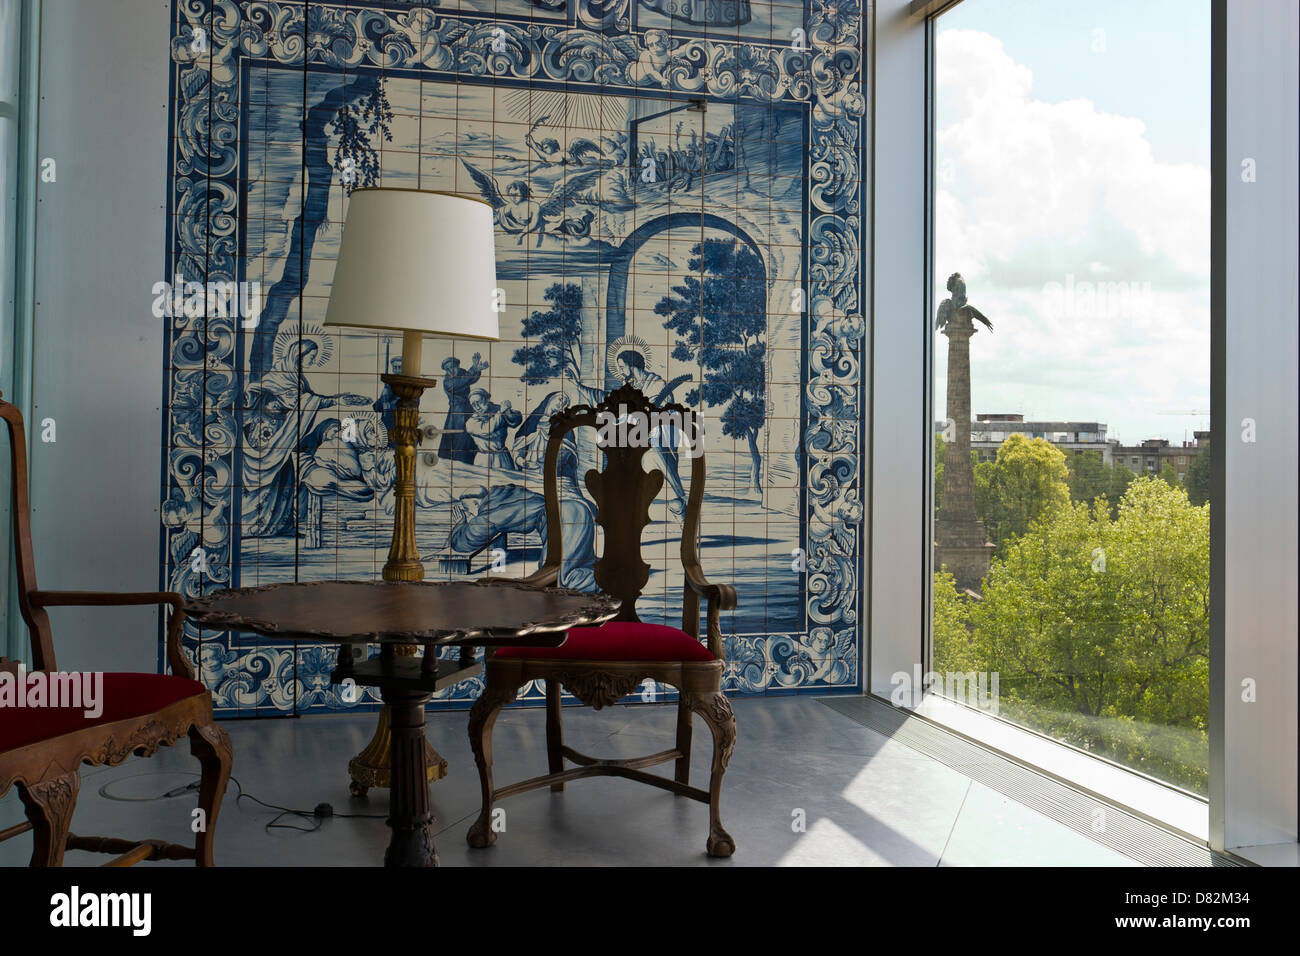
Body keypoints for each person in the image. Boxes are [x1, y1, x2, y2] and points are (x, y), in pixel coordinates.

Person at [446, 444, 596, 590]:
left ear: (476, 502)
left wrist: (460, 523)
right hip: (575, 511)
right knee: (580, 565)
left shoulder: (492, 510)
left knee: (565, 579)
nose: (469, 514)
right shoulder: (505, 493)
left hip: (565, 516)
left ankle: (614, 582)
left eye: (467, 509)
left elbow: (464, 542)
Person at [438, 354, 488, 463]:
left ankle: (466, 458)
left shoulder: (461, 373)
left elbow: (472, 379)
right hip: (457, 410)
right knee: (459, 433)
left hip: (468, 407)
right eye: (447, 369)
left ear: (457, 365)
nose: (450, 370)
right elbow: (463, 382)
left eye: (452, 367)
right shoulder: (447, 381)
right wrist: (474, 367)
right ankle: (456, 458)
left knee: (470, 432)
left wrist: (478, 369)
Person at [511, 390, 570, 471]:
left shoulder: (561, 424)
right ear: (550, 399)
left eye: (564, 403)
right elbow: (518, 447)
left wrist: (545, 465)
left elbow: (567, 451)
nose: (561, 404)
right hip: (529, 469)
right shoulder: (533, 420)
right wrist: (522, 462)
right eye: (560, 399)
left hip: (548, 471)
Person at [465, 388, 522, 469]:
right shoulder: (471, 422)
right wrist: (501, 412)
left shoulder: (497, 411)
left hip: (503, 458)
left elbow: (515, 421)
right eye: (473, 404)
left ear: (487, 399)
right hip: (483, 460)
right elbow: (487, 429)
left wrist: (508, 411)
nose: (477, 407)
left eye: (479, 402)